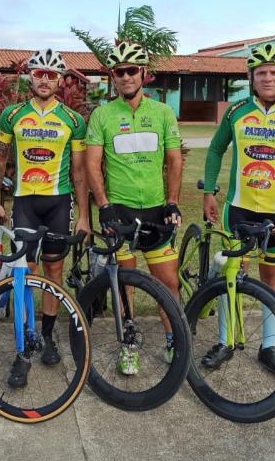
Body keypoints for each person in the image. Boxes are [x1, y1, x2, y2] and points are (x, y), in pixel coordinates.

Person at [201, 43, 275, 374]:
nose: (267, 78)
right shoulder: (236, 112)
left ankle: (268, 347)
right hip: (238, 210)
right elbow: (214, 150)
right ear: (251, 77)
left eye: (274, 72)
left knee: (273, 278)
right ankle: (225, 341)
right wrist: (209, 191)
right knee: (231, 276)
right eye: (261, 73)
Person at [0, 49, 89, 388]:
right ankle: (23, 348)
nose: (45, 79)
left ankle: (47, 336)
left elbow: (79, 172)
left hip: (58, 203)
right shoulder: (12, 115)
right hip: (25, 203)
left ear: (60, 80)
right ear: (30, 76)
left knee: (54, 271)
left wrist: (84, 216)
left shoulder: (73, 120)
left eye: (52, 74)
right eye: (39, 73)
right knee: (24, 274)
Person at [85, 41, 183, 375]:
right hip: (122, 213)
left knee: (168, 283)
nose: (125, 76)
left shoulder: (163, 113)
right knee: (124, 283)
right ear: (112, 76)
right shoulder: (102, 115)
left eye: (131, 70)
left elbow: (174, 161)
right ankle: (129, 343)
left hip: (156, 211)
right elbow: (92, 165)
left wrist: (172, 203)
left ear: (143, 73)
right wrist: (104, 205)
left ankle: (174, 340)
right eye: (118, 71)